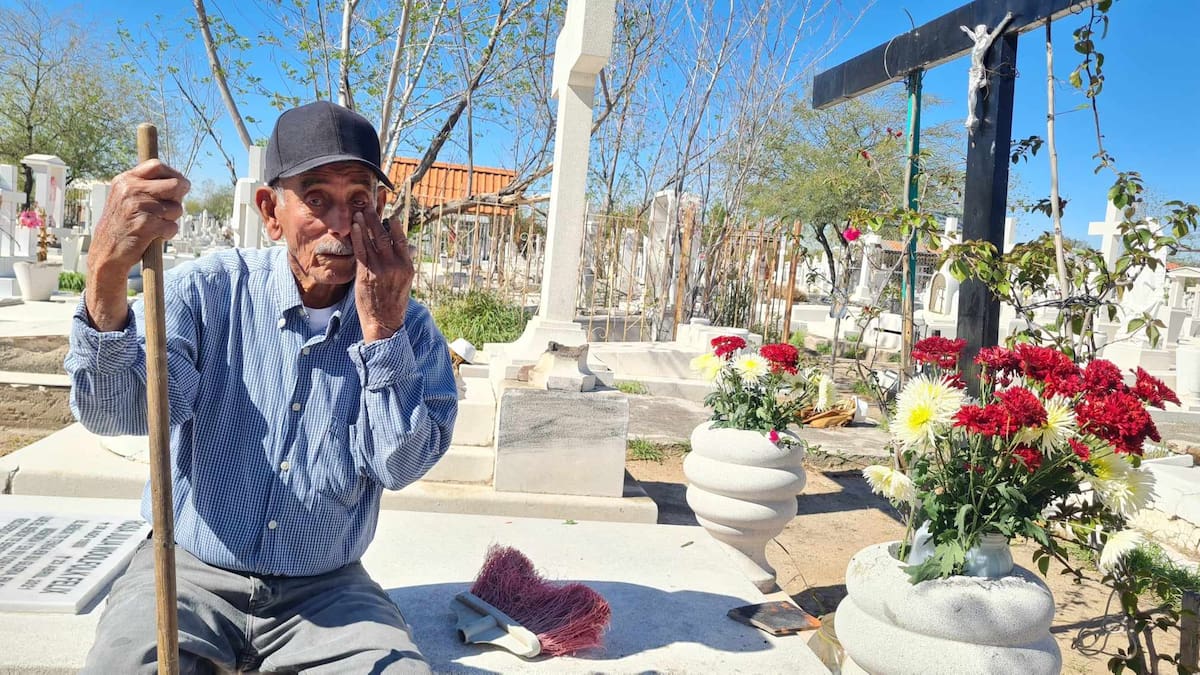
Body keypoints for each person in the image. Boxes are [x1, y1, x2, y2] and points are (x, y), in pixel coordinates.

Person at [66, 100, 458, 674]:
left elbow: (398, 466)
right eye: (317, 198)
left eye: (359, 200)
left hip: (327, 590)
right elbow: (118, 413)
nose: (343, 225)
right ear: (271, 212)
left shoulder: (411, 327)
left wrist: (383, 337)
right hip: (186, 573)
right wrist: (105, 275)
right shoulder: (208, 293)